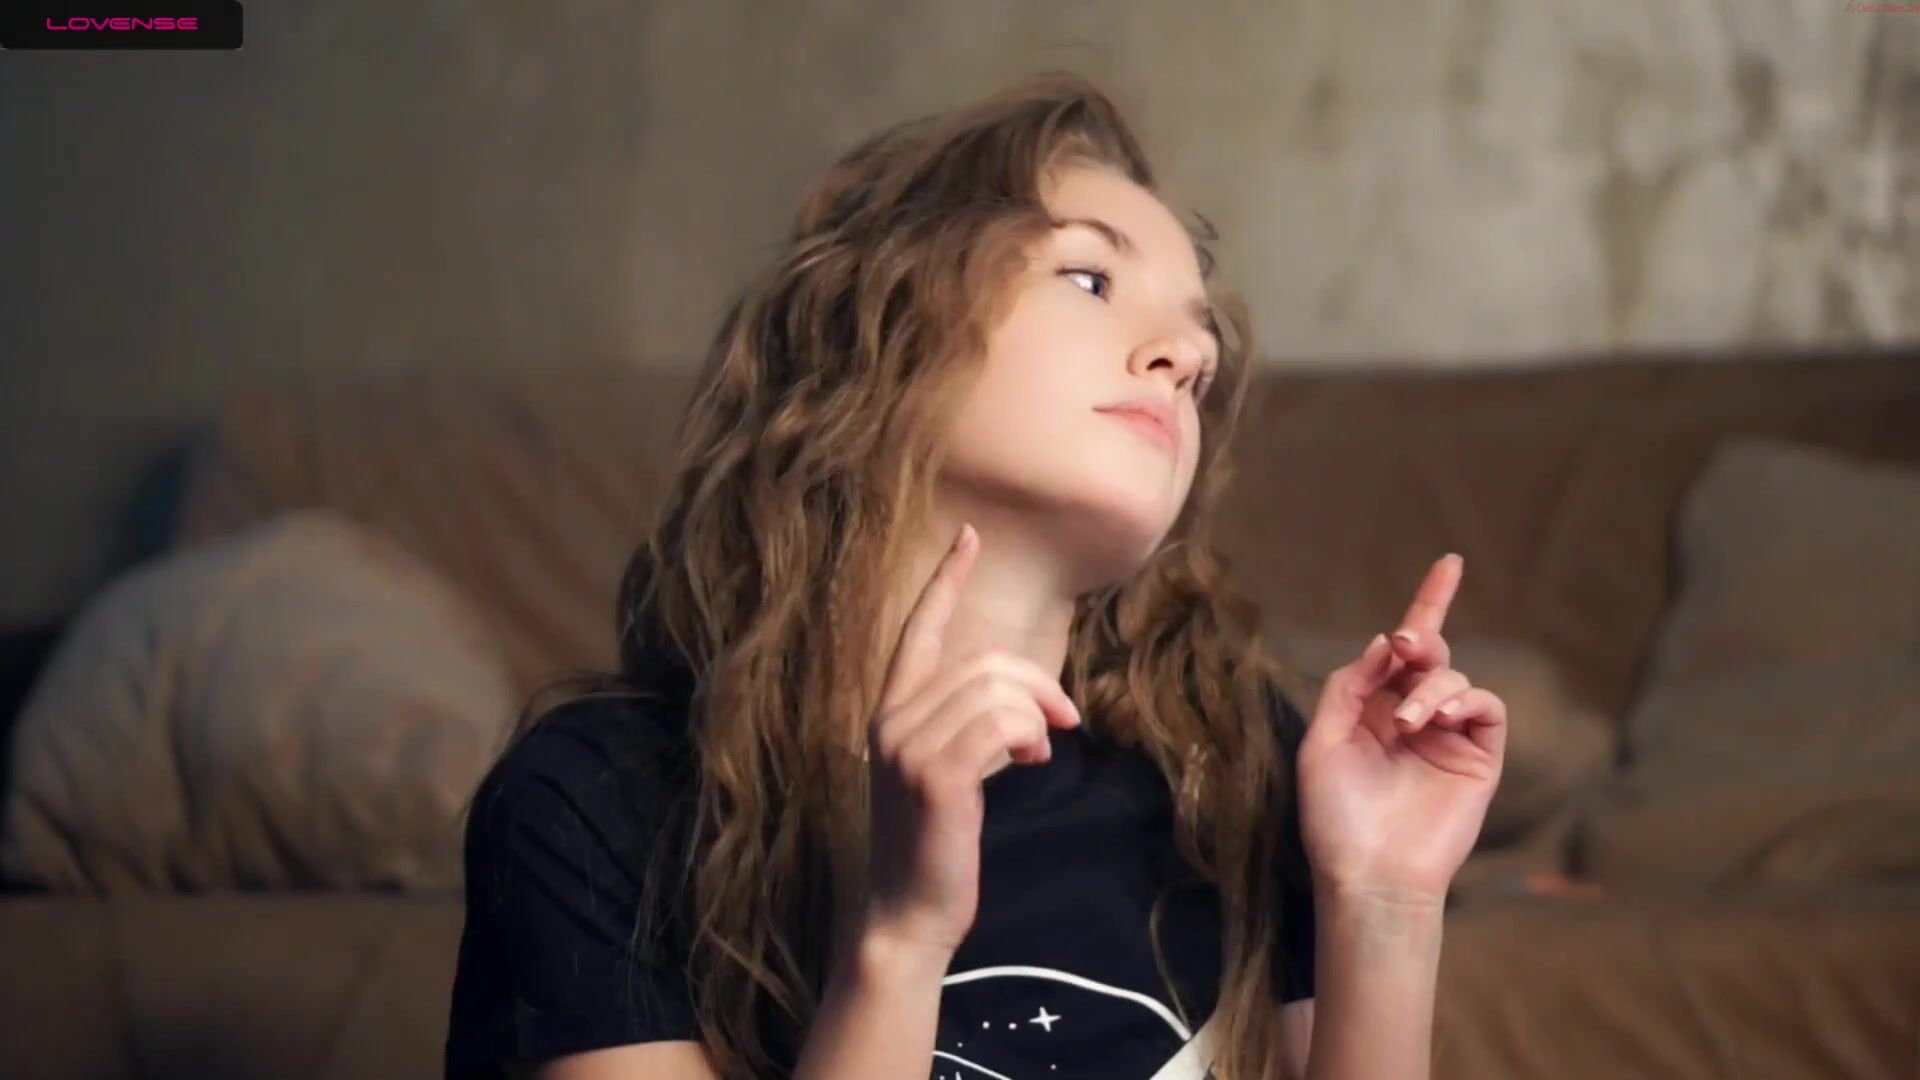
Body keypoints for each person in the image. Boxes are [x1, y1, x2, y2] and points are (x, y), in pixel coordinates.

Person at [444, 70, 1508, 1080]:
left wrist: (1384, 906)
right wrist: (900, 939)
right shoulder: (595, 797)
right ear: (876, 327)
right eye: (1089, 278)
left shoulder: (1240, 766)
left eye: (1202, 354)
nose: (1183, 358)